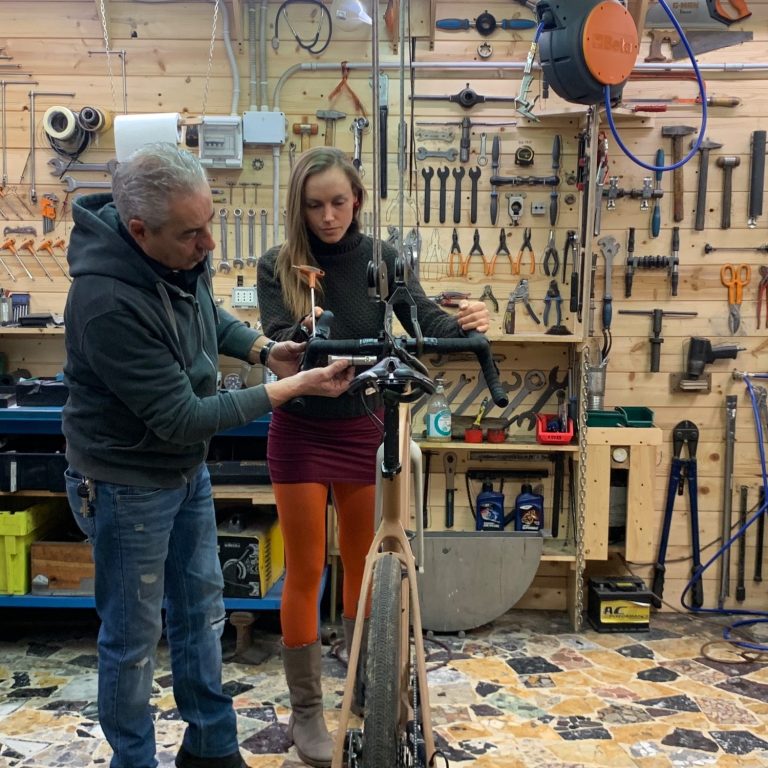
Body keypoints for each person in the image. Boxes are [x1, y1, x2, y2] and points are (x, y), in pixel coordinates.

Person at [61, 142, 353, 768]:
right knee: (134, 639)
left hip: (181, 472)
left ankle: (212, 750)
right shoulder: (106, 303)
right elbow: (182, 416)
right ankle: (134, 761)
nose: (209, 244)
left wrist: (262, 350)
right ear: (139, 230)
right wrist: (288, 388)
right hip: (125, 483)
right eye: (193, 233)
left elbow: (207, 315)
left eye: (210, 223)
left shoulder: (175, 250)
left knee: (202, 612)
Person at [257, 146, 490, 768]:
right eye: (315, 205)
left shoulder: (384, 259)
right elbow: (275, 337)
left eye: (338, 202)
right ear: (299, 208)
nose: (328, 216)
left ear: (356, 199)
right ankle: (307, 710)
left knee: (364, 566)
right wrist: (302, 333)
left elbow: (422, 318)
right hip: (301, 428)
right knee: (307, 569)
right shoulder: (279, 264)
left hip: (365, 424)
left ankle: (370, 685)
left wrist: (469, 320)